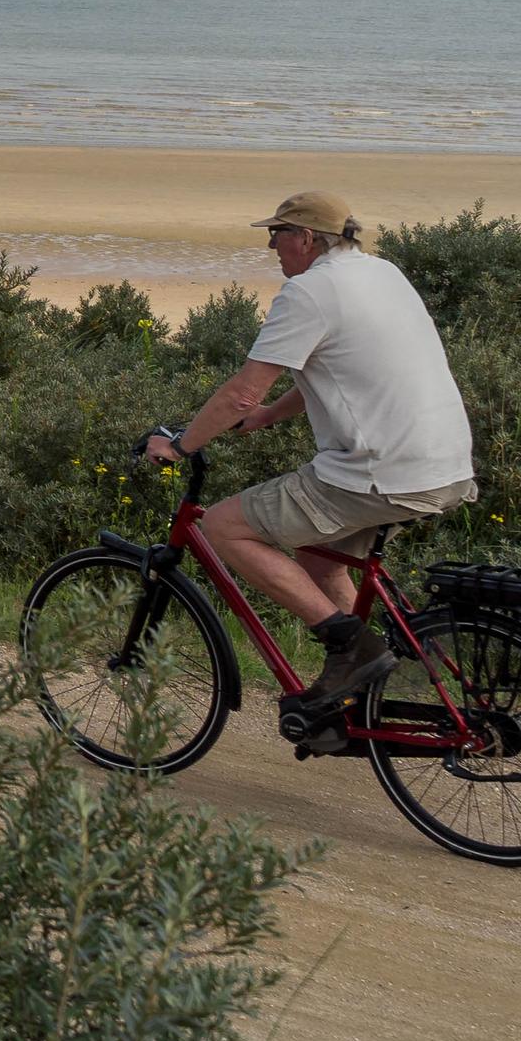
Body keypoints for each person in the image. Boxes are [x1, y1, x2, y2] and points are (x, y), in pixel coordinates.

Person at [139, 190, 478, 723]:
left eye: (277, 234)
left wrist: (180, 447)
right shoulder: (383, 273)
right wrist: (272, 415)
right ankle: (359, 686)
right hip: (445, 465)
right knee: (318, 556)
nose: (272, 245)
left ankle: (353, 648)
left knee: (225, 527)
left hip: (378, 472)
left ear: (306, 239)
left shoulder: (309, 293)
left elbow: (238, 395)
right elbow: (339, 366)